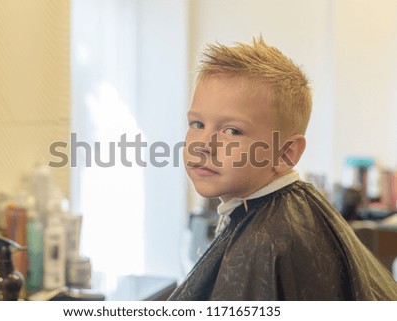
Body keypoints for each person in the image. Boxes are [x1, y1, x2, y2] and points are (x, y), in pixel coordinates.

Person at [168, 36, 397, 300]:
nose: (204, 145)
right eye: (197, 124)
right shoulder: (269, 216)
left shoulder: (268, 244)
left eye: (232, 131)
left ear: (286, 153)